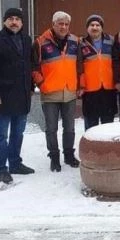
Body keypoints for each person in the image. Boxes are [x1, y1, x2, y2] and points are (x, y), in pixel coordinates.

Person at [0, 7, 34, 184]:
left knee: (18, 133)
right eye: (10, 19)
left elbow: (28, 66)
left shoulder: (26, 40)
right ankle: (1, 168)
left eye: (17, 19)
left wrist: (31, 88)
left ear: (22, 22)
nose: (14, 22)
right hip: (3, 96)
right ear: (4, 21)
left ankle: (15, 163)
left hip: (22, 95)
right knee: (1, 135)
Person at [32, 11, 82, 172]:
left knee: (70, 128)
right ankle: (54, 157)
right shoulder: (40, 42)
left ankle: (69, 155)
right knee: (51, 128)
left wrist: (80, 86)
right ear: (53, 24)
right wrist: (42, 84)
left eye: (66, 24)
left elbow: (79, 65)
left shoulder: (75, 41)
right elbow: (33, 67)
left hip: (69, 91)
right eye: (60, 23)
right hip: (50, 93)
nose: (63, 27)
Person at [78, 14, 118, 129]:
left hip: (108, 89)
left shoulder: (111, 41)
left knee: (108, 125)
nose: (95, 27)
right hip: (89, 90)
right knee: (91, 125)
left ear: (102, 27)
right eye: (92, 25)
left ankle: (107, 142)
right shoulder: (81, 43)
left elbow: (117, 62)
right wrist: (81, 85)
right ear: (87, 28)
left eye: (97, 25)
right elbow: (79, 66)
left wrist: (118, 81)